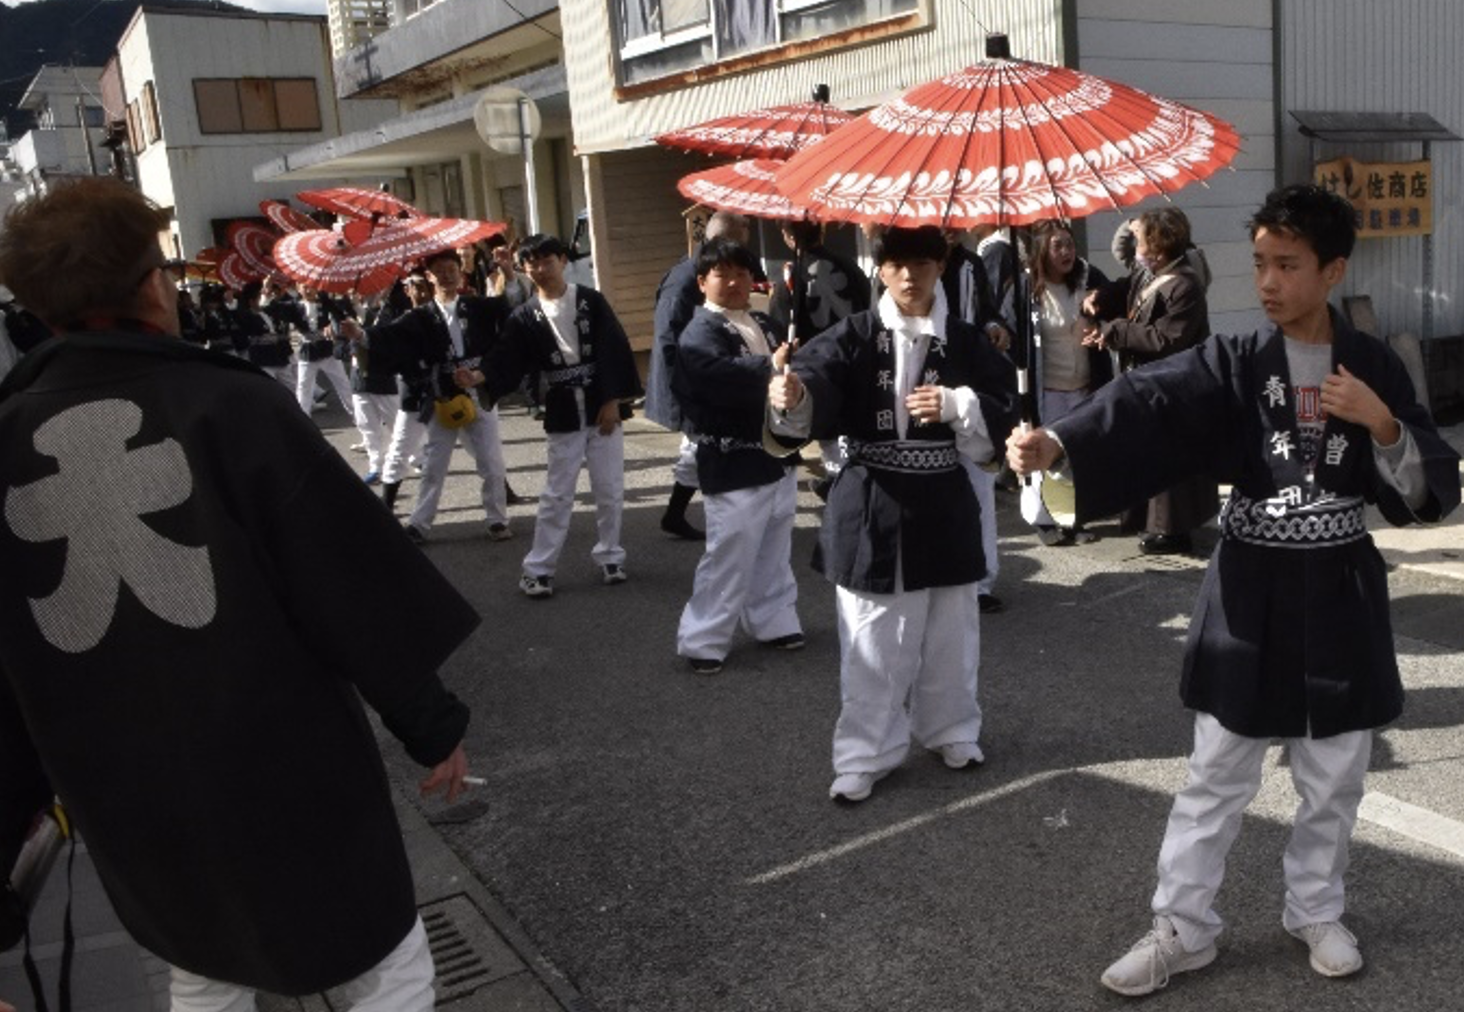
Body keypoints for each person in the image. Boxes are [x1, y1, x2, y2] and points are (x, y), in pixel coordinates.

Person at [0, 177, 480, 1010]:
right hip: (280, 756)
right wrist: (430, 725)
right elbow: (346, 585)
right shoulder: (228, 402)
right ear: (153, 285)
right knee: (385, 956)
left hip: (120, 780)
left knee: (205, 959)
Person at [1008, 184, 1461, 996]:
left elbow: (1429, 488)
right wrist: (1060, 442)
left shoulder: (1375, 364)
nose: (1269, 282)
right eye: (1259, 264)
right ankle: (1182, 927)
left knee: (1334, 773)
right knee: (1217, 770)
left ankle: (1316, 909)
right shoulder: (1237, 362)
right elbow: (1150, 399)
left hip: (1340, 586)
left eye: (1288, 265)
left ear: (1333, 271)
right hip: (1251, 585)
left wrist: (1383, 423)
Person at [768, 225, 1018, 803]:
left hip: (944, 496)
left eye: (923, 263)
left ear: (942, 265)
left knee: (952, 629)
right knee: (872, 637)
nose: (910, 275)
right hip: (872, 495)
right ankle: (864, 751)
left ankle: (952, 727)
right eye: (898, 263)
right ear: (880, 269)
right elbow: (818, 379)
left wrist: (960, 405)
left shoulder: (965, 340)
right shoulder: (853, 334)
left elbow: (1005, 409)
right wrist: (794, 395)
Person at [672, 237, 804, 674]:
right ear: (702, 281)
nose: (734, 282)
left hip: (775, 453)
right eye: (722, 274)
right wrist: (770, 367)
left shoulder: (763, 324)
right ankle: (703, 637)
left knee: (774, 543)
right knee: (730, 550)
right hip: (732, 457)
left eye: (742, 273)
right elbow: (710, 376)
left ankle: (774, 618)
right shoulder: (700, 330)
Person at [485, 234, 642, 598]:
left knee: (609, 487)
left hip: (600, 402)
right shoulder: (524, 315)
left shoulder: (590, 301)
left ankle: (610, 555)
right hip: (562, 407)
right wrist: (480, 376)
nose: (540, 269)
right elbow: (507, 355)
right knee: (558, 491)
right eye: (532, 263)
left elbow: (614, 349)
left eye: (547, 260)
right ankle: (538, 568)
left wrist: (612, 401)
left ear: (563, 261)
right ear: (524, 268)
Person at [337, 248, 515, 543]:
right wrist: (360, 335)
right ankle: (420, 523)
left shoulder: (478, 306)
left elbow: (510, 307)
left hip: (478, 390)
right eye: (440, 271)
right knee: (434, 463)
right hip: (441, 395)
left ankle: (497, 519)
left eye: (452, 269)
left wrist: (508, 274)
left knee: (491, 461)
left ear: (462, 273)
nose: (447, 275)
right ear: (430, 277)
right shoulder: (420, 317)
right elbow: (389, 337)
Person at [1084, 208, 1218, 554]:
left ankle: (1172, 531)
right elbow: (1126, 287)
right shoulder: (1153, 274)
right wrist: (1101, 299)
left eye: (1141, 240)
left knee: (1169, 459)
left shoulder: (1186, 284)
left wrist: (1113, 331)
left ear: (1157, 248)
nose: (1136, 247)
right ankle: (1151, 523)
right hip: (1149, 379)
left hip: (1175, 383)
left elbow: (1165, 339)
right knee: (1150, 452)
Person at [646, 210, 756, 541]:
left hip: (704, 378)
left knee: (695, 449)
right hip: (690, 380)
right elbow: (668, 336)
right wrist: (681, 388)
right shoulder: (686, 277)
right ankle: (683, 514)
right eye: (745, 228)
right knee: (699, 447)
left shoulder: (701, 270)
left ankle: (676, 513)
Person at [1021, 220, 1114, 545]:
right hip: (1048, 390)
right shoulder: (1026, 288)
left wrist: (1100, 322)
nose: (1066, 252)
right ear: (1042, 251)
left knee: (1080, 456)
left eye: (1069, 244)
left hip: (1086, 384)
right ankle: (1045, 521)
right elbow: (1013, 338)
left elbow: (1116, 304)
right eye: (1057, 245)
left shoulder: (1089, 278)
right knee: (1046, 459)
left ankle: (1076, 518)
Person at [768, 218, 873, 500]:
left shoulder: (791, 277)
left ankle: (841, 489)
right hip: (857, 358)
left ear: (787, 235)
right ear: (822, 231)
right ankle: (846, 483)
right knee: (850, 428)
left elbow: (779, 329)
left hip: (815, 366)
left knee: (827, 426)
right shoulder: (851, 267)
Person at [942, 229, 1016, 614]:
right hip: (924, 396)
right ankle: (943, 573)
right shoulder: (909, 264)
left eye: (956, 218)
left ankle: (982, 580)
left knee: (980, 487)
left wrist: (994, 326)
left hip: (971, 391)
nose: (950, 226)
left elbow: (987, 310)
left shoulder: (971, 264)